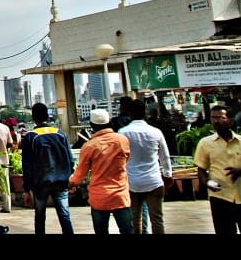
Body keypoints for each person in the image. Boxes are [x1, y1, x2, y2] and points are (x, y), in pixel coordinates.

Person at [193, 104, 241, 234]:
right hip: (220, 198)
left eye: (220, 117)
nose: (216, 121)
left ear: (231, 120)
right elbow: (201, 169)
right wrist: (207, 182)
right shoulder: (205, 143)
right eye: (213, 118)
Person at [69, 108, 134, 235]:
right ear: (109, 122)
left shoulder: (89, 146)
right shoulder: (122, 140)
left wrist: (70, 183)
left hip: (99, 196)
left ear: (92, 126)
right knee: (127, 230)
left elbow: (80, 174)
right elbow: (127, 159)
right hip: (120, 195)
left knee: (101, 231)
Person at [118, 98, 172, 234]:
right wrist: (168, 175)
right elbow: (164, 157)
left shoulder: (122, 133)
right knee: (157, 220)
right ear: (145, 113)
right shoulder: (156, 132)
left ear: (130, 113)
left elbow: (119, 158)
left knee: (134, 220)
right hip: (153, 181)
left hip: (131, 182)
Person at [20, 102, 75, 234]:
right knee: (65, 216)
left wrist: (27, 189)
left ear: (33, 117)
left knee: (40, 216)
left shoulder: (30, 137)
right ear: (48, 116)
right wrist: (71, 178)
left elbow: (27, 165)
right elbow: (70, 159)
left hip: (40, 183)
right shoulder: (60, 134)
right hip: (61, 181)